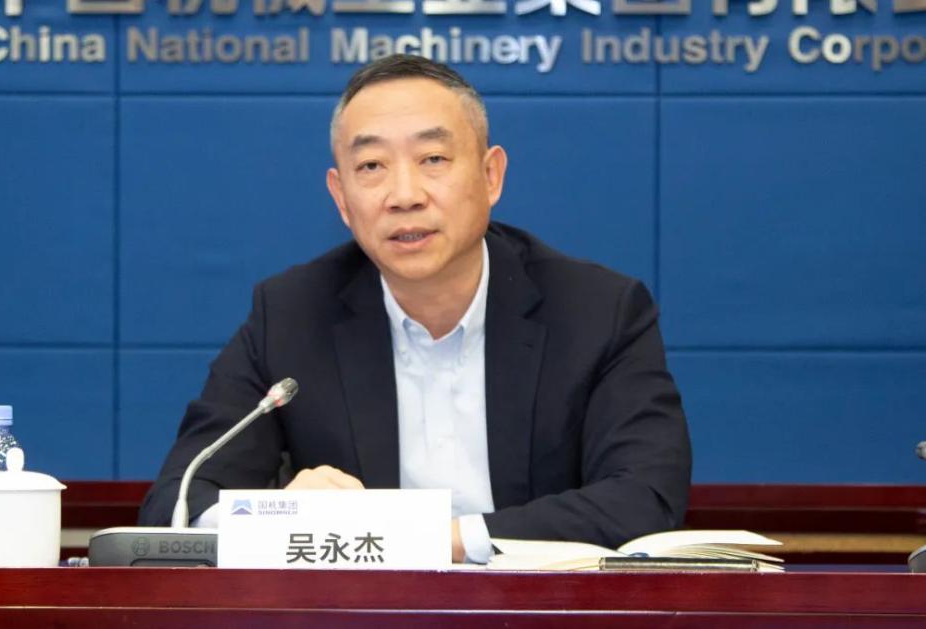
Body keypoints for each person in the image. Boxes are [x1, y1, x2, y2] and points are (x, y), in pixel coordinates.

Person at [139, 54, 691, 563]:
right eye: (371, 166)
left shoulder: (598, 311)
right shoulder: (290, 315)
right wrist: (279, 517)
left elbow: (645, 497)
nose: (404, 194)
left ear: (491, 176)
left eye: (433, 159)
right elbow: (178, 501)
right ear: (341, 198)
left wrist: (432, 541)